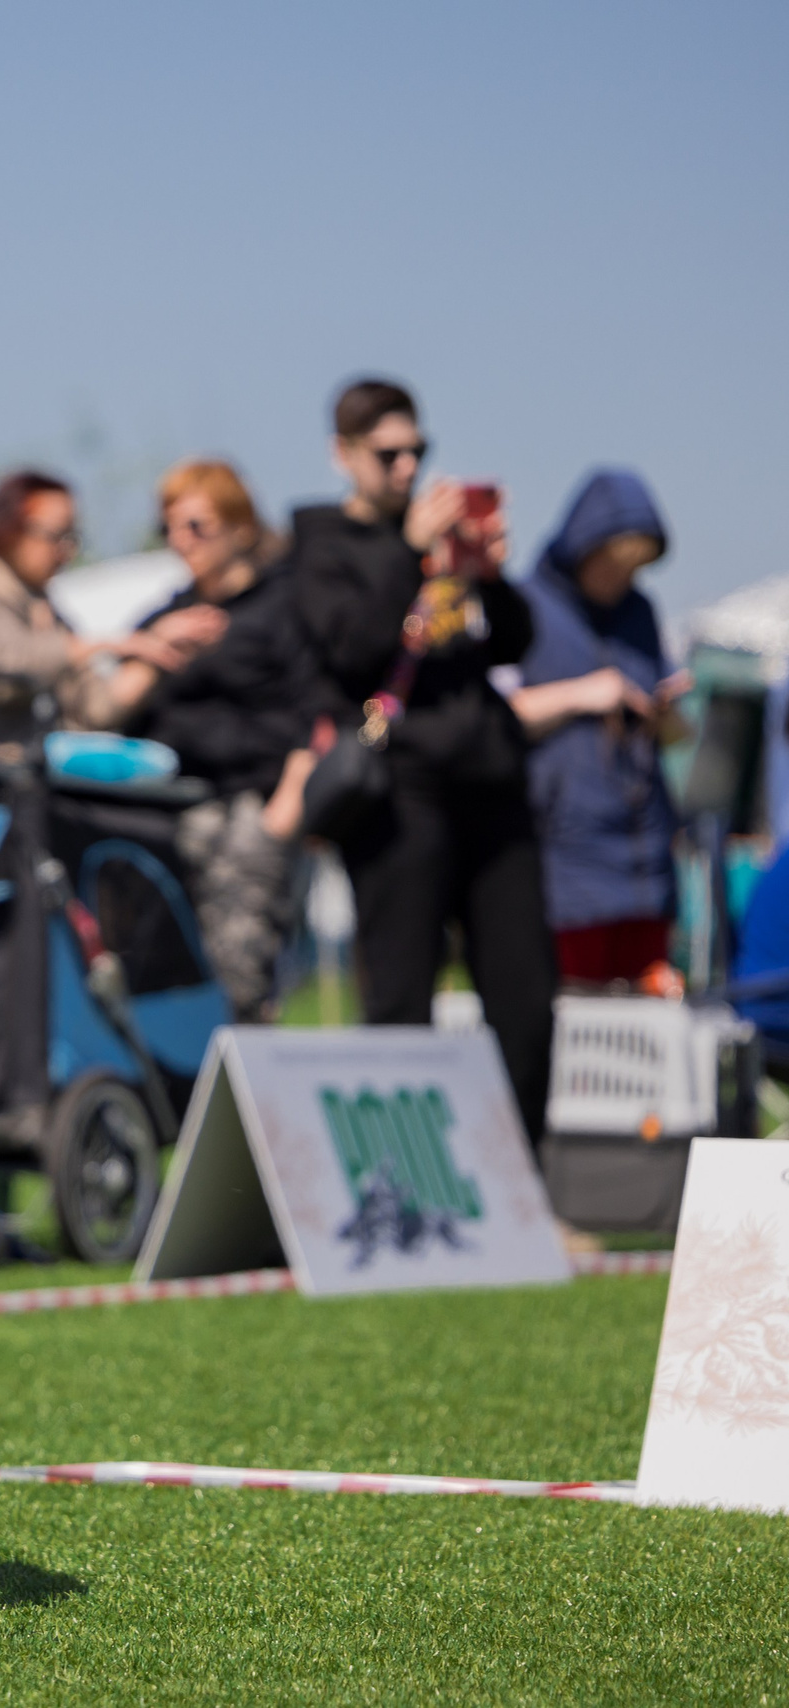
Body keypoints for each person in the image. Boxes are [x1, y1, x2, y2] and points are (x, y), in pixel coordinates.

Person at [287, 377, 555, 1148]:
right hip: (400, 795)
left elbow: (513, 644)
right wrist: (408, 556)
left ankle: (521, 1185)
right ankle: (404, 1184)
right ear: (344, 455)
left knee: (526, 996)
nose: (408, 469)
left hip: (492, 787)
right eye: (388, 454)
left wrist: (487, 573)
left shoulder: (444, 544)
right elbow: (351, 647)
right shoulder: (321, 542)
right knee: (402, 995)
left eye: (418, 451)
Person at [127, 460, 325, 1020]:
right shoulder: (172, 613)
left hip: (256, 805)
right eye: (171, 528)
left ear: (239, 529)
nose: (181, 541)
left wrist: (288, 804)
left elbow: (317, 708)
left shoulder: (282, 606)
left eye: (197, 526)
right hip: (180, 807)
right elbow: (120, 703)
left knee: (240, 959)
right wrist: (155, 644)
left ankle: (243, 1069)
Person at [510, 469, 687, 987]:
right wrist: (583, 694)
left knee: (650, 1014)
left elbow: (674, 741)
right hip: (566, 850)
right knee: (577, 1014)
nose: (623, 581)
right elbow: (499, 715)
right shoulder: (527, 607)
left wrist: (664, 715)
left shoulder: (641, 613)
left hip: (643, 850)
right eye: (614, 566)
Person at [0, 470, 221, 758]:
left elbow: (96, 707)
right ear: (10, 528)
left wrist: (157, 649)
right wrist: (105, 644)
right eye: (56, 536)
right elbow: (8, 661)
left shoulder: (45, 610)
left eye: (71, 537)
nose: (66, 551)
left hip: (34, 787)